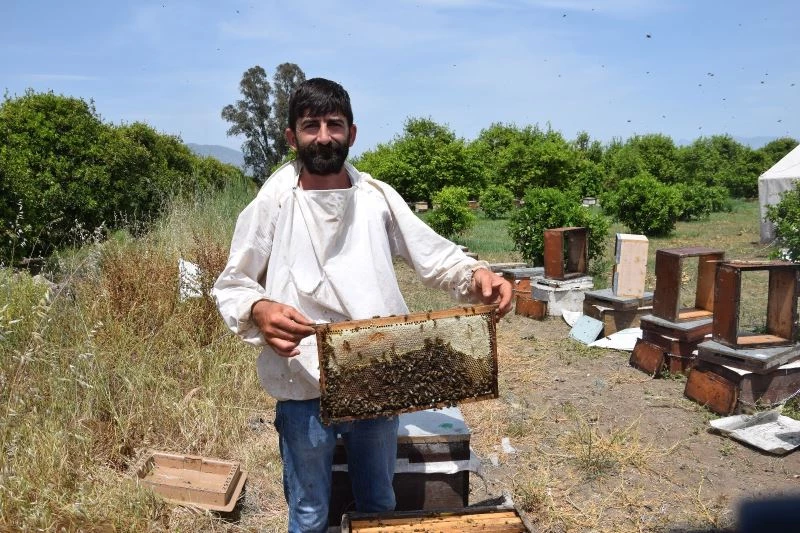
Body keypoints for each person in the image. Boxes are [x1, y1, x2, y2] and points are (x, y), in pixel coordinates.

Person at [212, 77, 513, 532]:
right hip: (302, 383)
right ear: (292, 136)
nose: (324, 136)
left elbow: (433, 256)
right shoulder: (273, 200)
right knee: (309, 511)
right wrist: (258, 310)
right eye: (311, 126)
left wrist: (477, 275)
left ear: (352, 133)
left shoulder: (377, 198)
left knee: (378, 504)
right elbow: (233, 283)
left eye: (335, 125)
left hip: (377, 376)